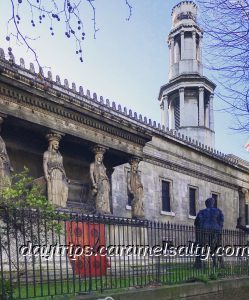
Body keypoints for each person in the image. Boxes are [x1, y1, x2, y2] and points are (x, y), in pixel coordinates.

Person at [194, 197, 224, 268]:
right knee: (215, 247)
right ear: (212, 203)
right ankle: (216, 264)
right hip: (216, 230)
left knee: (202, 247)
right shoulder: (218, 211)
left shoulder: (202, 212)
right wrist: (219, 228)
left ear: (206, 204)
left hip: (204, 230)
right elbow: (221, 221)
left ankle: (201, 264)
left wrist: (200, 228)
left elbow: (196, 222)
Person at [43, 132, 69, 207]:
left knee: (61, 189)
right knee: (53, 188)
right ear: (52, 144)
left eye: (58, 144)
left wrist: (65, 177)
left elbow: (62, 166)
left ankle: (60, 204)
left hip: (60, 174)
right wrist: (46, 174)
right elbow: (45, 164)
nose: (57, 145)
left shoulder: (60, 156)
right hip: (52, 173)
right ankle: (54, 204)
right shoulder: (47, 153)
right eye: (55, 144)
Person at [90, 146, 111, 215]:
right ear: (96, 157)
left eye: (102, 157)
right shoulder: (93, 165)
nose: (100, 158)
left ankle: (106, 210)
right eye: (99, 157)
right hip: (99, 181)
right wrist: (93, 183)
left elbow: (105, 174)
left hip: (105, 181)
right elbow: (91, 174)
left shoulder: (102, 166)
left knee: (106, 196)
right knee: (100, 195)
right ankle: (100, 209)